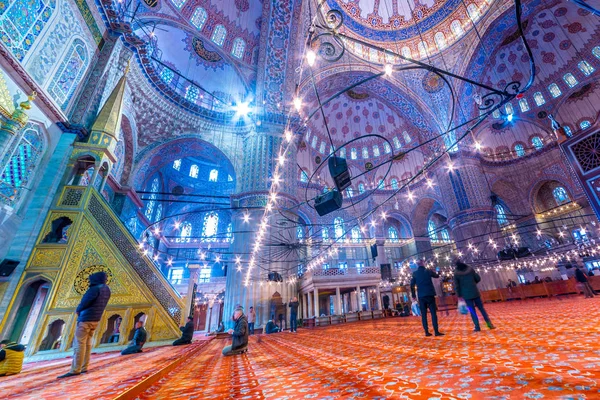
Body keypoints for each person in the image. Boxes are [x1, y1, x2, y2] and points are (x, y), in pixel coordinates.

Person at [58, 271, 111, 378]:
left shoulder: (94, 289)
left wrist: (78, 310)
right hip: (95, 319)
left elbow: (85, 302)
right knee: (87, 344)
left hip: (86, 319)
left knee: (80, 344)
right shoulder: (107, 289)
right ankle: (84, 367)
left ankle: (75, 369)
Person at [453, 260, 495, 332]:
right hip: (475, 292)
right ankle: (489, 325)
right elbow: (478, 278)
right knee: (482, 309)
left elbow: (457, 285)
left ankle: (477, 327)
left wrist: (459, 295)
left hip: (466, 295)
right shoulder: (470, 269)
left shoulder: (456, 273)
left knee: (472, 311)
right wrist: (473, 283)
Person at [410, 260, 444, 337]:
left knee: (424, 315)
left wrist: (413, 295)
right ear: (423, 263)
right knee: (433, 314)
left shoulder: (415, 274)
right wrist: (439, 272)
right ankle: (436, 331)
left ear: (417, 265)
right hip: (430, 294)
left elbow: (412, 285)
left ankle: (426, 332)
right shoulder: (428, 271)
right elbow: (436, 276)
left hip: (421, 296)